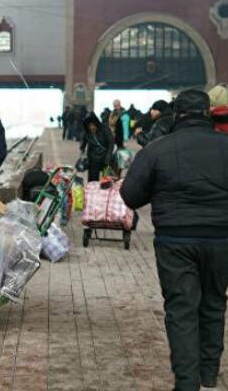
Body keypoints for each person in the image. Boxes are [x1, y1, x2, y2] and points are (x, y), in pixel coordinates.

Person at [120, 90, 228, 391]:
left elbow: (130, 196)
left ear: (177, 114)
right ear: (207, 113)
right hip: (221, 239)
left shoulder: (158, 149)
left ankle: (186, 383)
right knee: (214, 304)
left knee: (181, 309)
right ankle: (208, 375)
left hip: (175, 240)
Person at [79, 112, 114, 182]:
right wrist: (82, 151)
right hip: (93, 159)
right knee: (92, 181)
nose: (92, 127)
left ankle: (105, 192)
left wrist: (108, 158)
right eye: (90, 125)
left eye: (93, 125)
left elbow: (110, 144)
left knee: (106, 181)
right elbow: (83, 143)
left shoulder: (105, 129)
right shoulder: (87, 132)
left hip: (105, 158)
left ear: (97, 124)